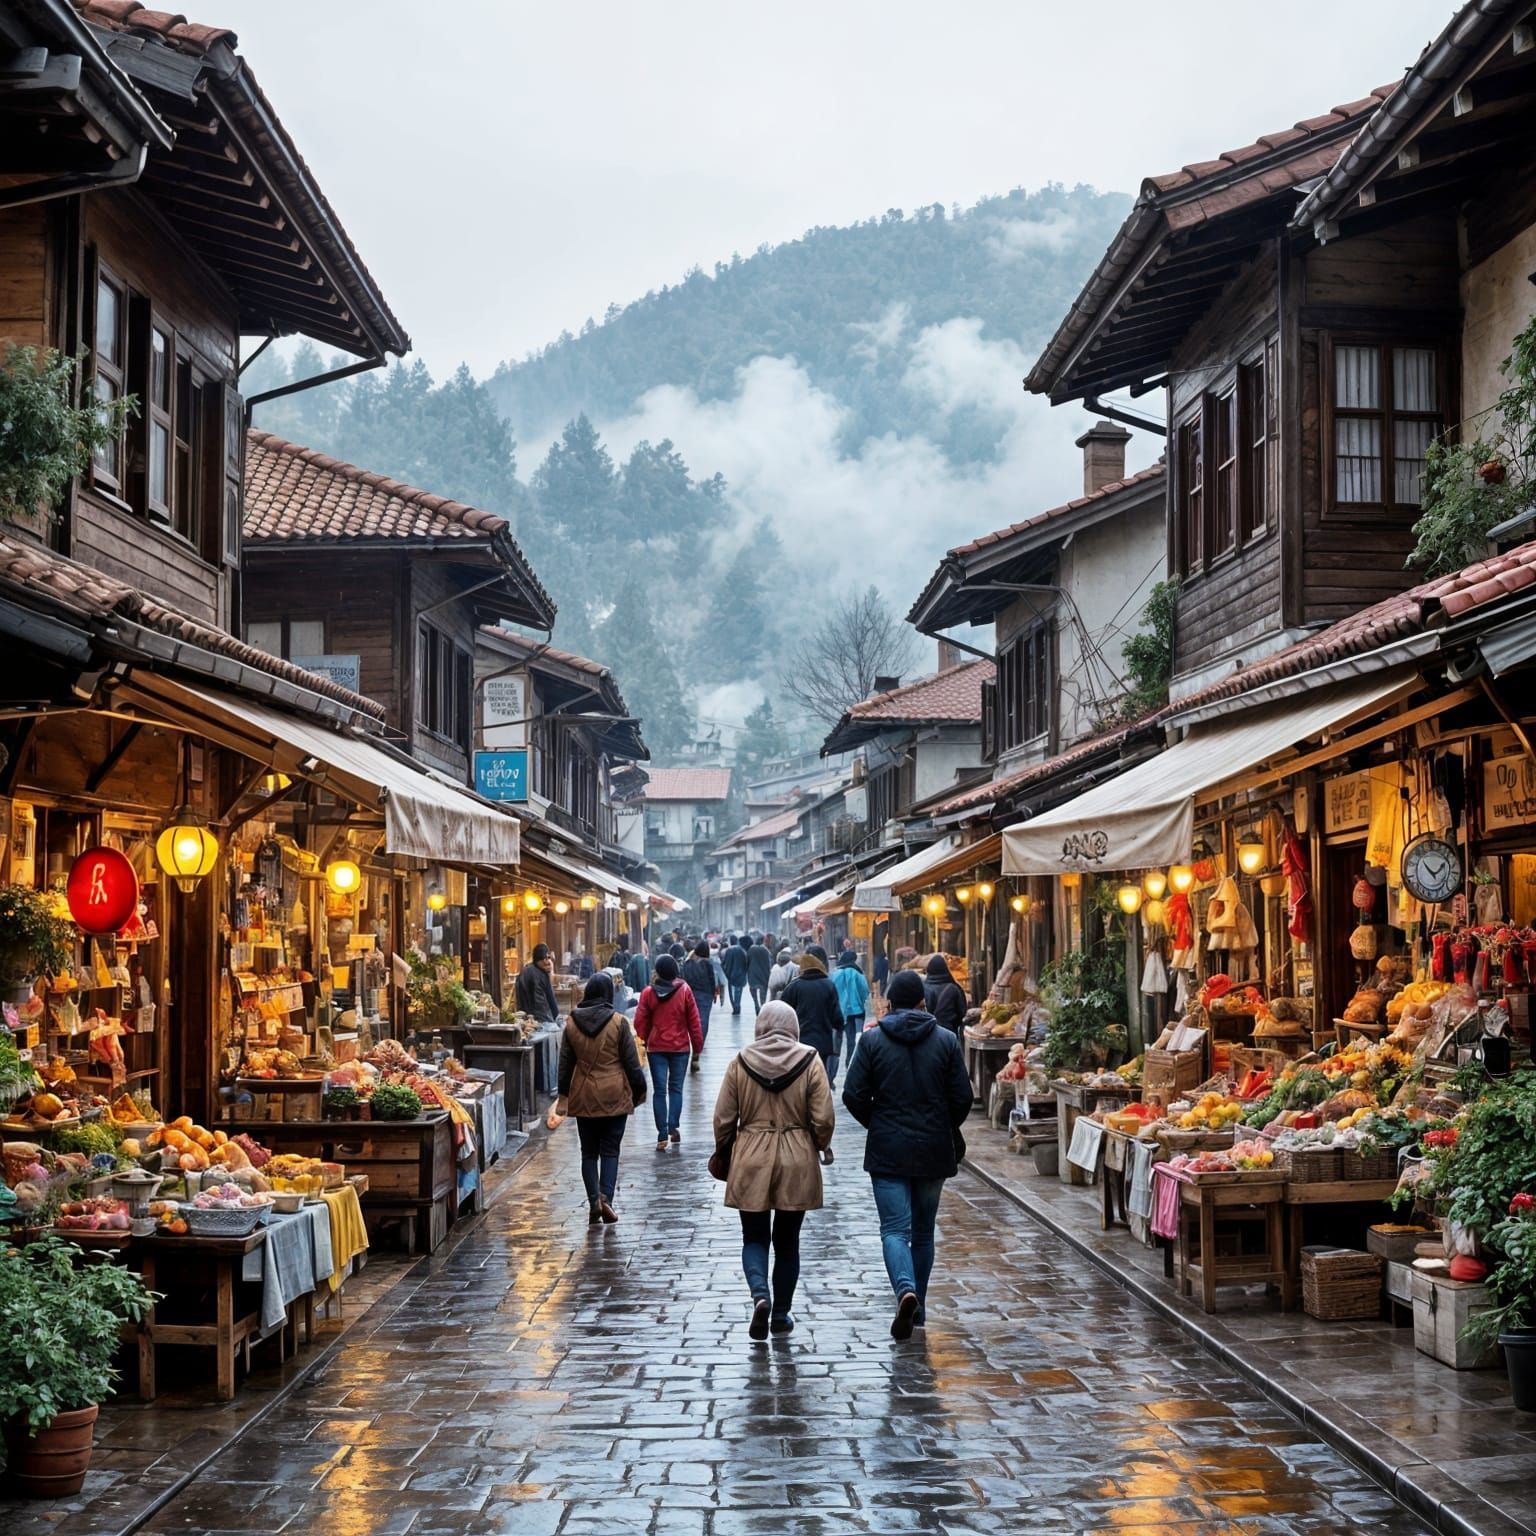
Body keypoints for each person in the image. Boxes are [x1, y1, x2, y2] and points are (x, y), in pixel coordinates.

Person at [841, 969, 972, 1339]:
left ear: (888, 1004)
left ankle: (905, 1290)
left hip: (888, 1150)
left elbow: (852, 1094)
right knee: (923, 1232)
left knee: (894, 1230)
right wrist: (944, 1126)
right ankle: (918, 1308)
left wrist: (878, 1122)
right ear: (922, 1003)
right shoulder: (946, 1041)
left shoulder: (872, 1041)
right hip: (933, 1149)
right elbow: (963, 1097)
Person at [712, 1000, 835, 1339]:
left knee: (753, 1236)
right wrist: (820, 1144)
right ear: (793, 1027)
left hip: (751, 1154)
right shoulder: (810, 1060)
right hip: (797, 1156)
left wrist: (725, 1151)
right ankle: (780, 1315)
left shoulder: (740, 1061)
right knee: (788, 1240)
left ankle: (759, 1295)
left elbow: (723, 1118)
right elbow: (823, 1117)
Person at [558, 973, 647, 1224]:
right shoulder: (618, 1023)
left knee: (588, 1153)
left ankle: (593, 1201)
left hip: (584, 1095)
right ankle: (605, 1198)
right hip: (614, 1095)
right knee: (610, 1150)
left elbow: (565, 1065)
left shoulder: (572, 1024)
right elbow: (632, 1063)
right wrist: (639, 1090)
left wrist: (563, 1094)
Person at [634, 954, 703, 1149]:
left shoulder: (648, 993)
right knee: (675, 1089)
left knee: (659, 1091)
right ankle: (673, 1126)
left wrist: (647, 1037)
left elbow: (640, 1021)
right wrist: (697, 1046)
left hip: (656, 1049)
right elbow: (694, 1021)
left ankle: (662, 1133)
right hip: (680, 1048)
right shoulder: (685, 991)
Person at [781, 945, 844, 1086]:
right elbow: (838, 1019)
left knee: (800, 1081)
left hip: (797, 1044)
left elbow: (781, 1016)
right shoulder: (829, 985)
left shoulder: (793, 987)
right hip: (822, 1044)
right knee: (818, 1082)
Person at [832, 947, 872, 1071]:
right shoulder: (858, 973)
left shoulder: (835, 974)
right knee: (856, 1037)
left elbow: (831, 991)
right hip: (857, 1011)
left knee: (842, 1038)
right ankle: (852, 1061)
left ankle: (837, 1063)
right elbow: (865, 991)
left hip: (841, 1011)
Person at [683, 940, 717, 1073]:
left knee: (690, 1022)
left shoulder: (687, 963)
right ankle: (697, 1052)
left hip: (690, 995)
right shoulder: (707, 963)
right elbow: (712, 979)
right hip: (706, 995)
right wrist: (714, 993)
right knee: (703, 1022)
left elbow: (683, 979)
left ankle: (689, 1048)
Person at [514, 942, 560, 1023]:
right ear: (541, 958)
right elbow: (550, 998)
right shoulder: (542, 974)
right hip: (541, 1017)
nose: (547, 962)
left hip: (525, 1016)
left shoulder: (525, 970)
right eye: (546, 958)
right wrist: (557, 1018)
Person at [922, 953, 968, 1034]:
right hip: (949, 1033)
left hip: (926, 1033)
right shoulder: (954, 988)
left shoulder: (923, 988)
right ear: (945, 969)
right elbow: (962, 1012)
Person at [720, 935, 749, 1015]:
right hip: (740, 975)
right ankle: (737, 1005)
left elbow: (724, 963)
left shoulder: (729, 950)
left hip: (731, 975)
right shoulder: (742, 951)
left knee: (732, 992)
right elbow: (746, 962)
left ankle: (735, 1006)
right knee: (738, 992)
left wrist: (726, 972)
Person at [746, 935, 774, 1012]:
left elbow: (747, 961)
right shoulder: (766, 951)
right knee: (763, 993)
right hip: (763, 974)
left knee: (753, 990)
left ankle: (756, 1004)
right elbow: (769, 963)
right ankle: (762, 1006)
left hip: (753, 974)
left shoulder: (751, 950)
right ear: (763, 941)